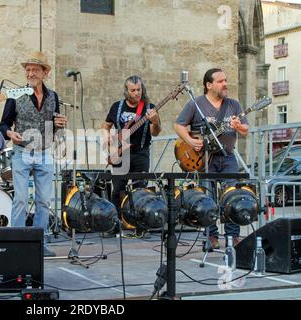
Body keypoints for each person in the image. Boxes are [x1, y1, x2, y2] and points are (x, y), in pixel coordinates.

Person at [0, 51, 67, 257]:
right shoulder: (15, 94)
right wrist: (10, 133)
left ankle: (40, 242)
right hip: (22, 152)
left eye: (35, 70)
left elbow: (54, 127)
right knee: (20, 199)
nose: (30, 73)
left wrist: (59, 125)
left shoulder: (53, 96)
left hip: (45, 153)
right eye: (28, 70)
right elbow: (3, 124)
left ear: (45, 73)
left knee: (44, 200)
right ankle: (16, 241)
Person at [174, 68, 249, 248]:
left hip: (228, 157)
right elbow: (179, 125)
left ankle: (233, 236)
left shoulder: (233, 105)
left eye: (225, 80)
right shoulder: (197, 104)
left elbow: (246, 130)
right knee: (208, 198)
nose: (225, 84)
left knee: (232, 195)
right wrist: (191, 141)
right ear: (209, 85)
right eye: (220, 81)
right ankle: (211, 236)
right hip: (205, 159)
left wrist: (238, 126)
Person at [101, 75, 161, 234]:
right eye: (133, 90)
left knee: (140, 190)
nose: (136, 93)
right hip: (121, 153)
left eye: (139, 89)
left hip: (141, 152)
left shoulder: (150, 107)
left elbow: (155, 132)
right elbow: (106, 125)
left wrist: (155, 122)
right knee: (117, 190)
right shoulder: (117, 107)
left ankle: (140, 226)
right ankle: (113, 225)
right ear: (126, 91)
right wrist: (107, 137)